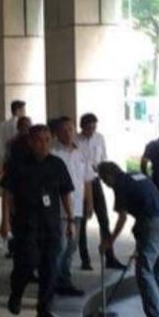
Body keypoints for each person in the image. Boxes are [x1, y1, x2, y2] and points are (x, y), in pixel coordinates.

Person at [0, 125, 75, 317]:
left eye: (47, 140)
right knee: (27, 263)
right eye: (39, 140)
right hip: (26, 224)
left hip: (51, 225)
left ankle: (44, 310)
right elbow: (7, 194)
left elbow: (65, 193)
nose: (44, 145)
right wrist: (5, 220)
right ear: (31, 143)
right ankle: (17, 293)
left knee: (50, 269)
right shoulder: (18, 164)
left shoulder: (57, 164)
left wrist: (70, 220)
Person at [98, 162, 159, 317]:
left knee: (144, 272)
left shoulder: (120, 184)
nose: (106, 185)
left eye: (105, 181)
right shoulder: (136, 176)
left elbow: (122, 218)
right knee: (157, 271)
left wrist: (109, 241)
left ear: (110, 176)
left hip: (153, 225)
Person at [51, 117, 96, 297]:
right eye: (64, 130)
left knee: (72, 246)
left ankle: (65, 278)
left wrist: (89, 202)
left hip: (77, 207)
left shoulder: (79, 153)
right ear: (57, 133)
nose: (68, 133)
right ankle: (53, 281)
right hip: (60, 209)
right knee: (60, 246)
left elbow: (87, 180)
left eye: (71, 129)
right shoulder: (54, 153)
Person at [76, 113, 125, 272]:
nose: (91, 131)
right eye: (88, 128)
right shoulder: (76, 140)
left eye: (94, 127)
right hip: (82, 182)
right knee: (82, 222)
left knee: (104, 219)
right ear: (82, 127)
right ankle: (85, 259)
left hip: (96, 180)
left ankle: (110, 256)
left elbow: (104, 157)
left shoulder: (99, 138)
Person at [0, 116, 32, 259]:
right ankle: (14, 248)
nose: (27, 129)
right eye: (24, 126)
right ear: (19, 127)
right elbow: (7, 162)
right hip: (17, 187)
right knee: (16, 221)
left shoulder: (32, 142)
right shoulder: (13, 144)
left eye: (28, 126)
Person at [0, 100, 26, 172]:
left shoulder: (2, 125)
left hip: (7, 160)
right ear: (18, 110)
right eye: (23, 110)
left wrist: (4, 157)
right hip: (20, 161)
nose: (24, 113)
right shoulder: (22, 125)